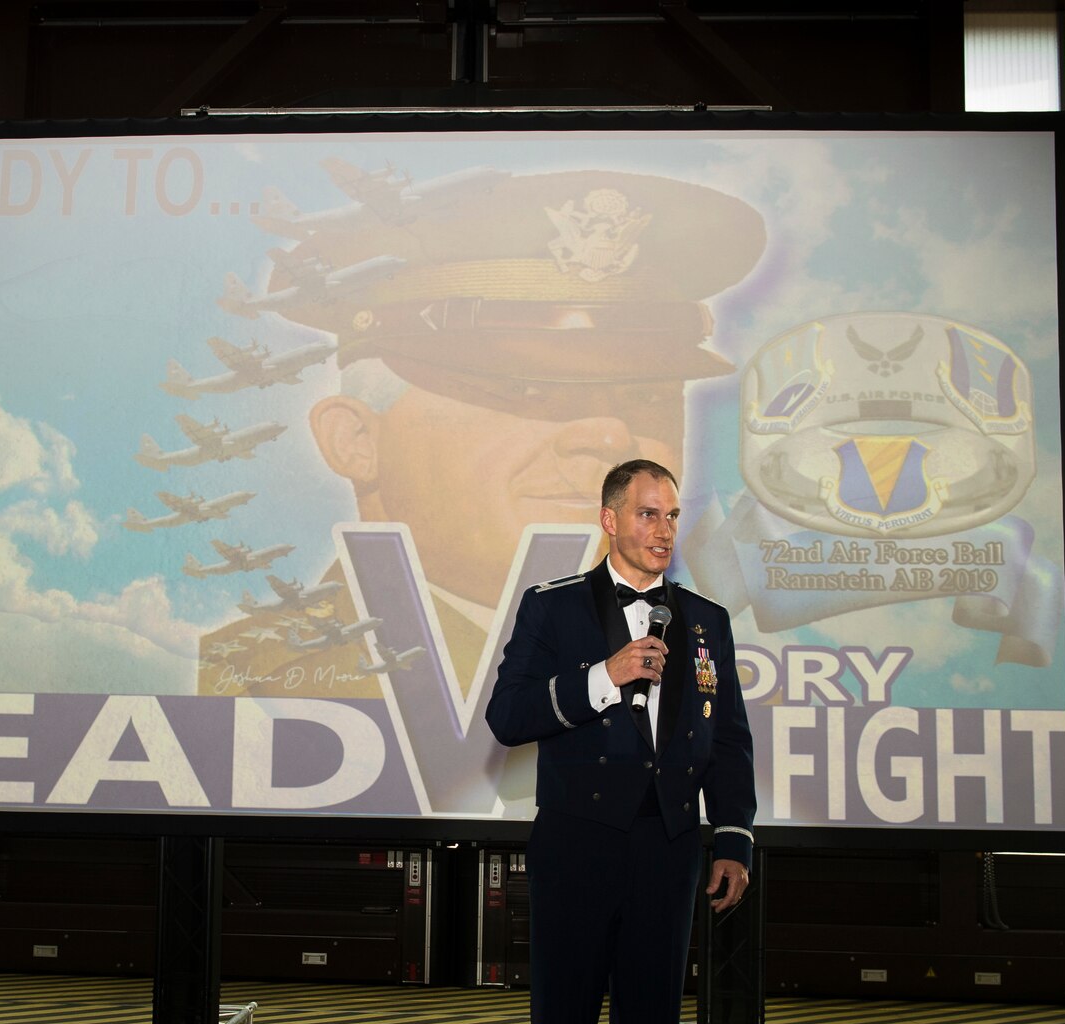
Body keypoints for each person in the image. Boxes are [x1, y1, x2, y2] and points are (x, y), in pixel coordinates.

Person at [196, 167, 765, 697]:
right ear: (356, 442)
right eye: (524, 388)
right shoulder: (264, 686)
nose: (611, 435)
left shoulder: (716, 667)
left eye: (646, 397)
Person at [484, 457, 757, 1024]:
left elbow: (731, 737)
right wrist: (606, 677)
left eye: (672, 515)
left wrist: (734, 835)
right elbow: (508, 715)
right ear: (609, 520)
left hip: (666, 854)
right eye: (647, 514)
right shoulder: (554, 609)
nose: (663, 530)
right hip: (576, 850)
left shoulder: (706, 621)